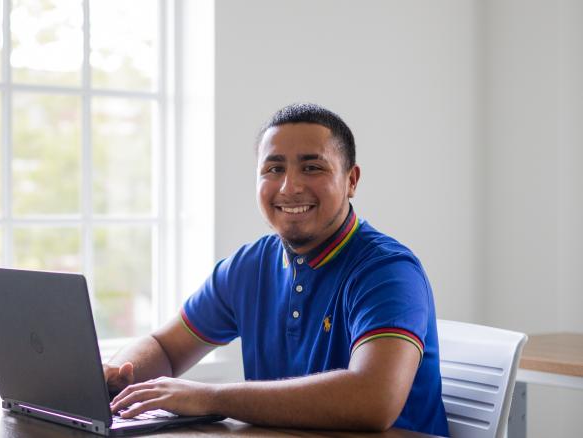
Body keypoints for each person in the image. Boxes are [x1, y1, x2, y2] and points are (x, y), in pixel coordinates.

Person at [104, 103, 448, 436]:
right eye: (274, 169)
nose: (290, 187)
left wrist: (209, 397)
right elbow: (165, 348)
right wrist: (114, 375)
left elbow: (374, 400)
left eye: (312, 167)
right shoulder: (246, 267)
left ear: (351, 180)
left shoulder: (387, 271)